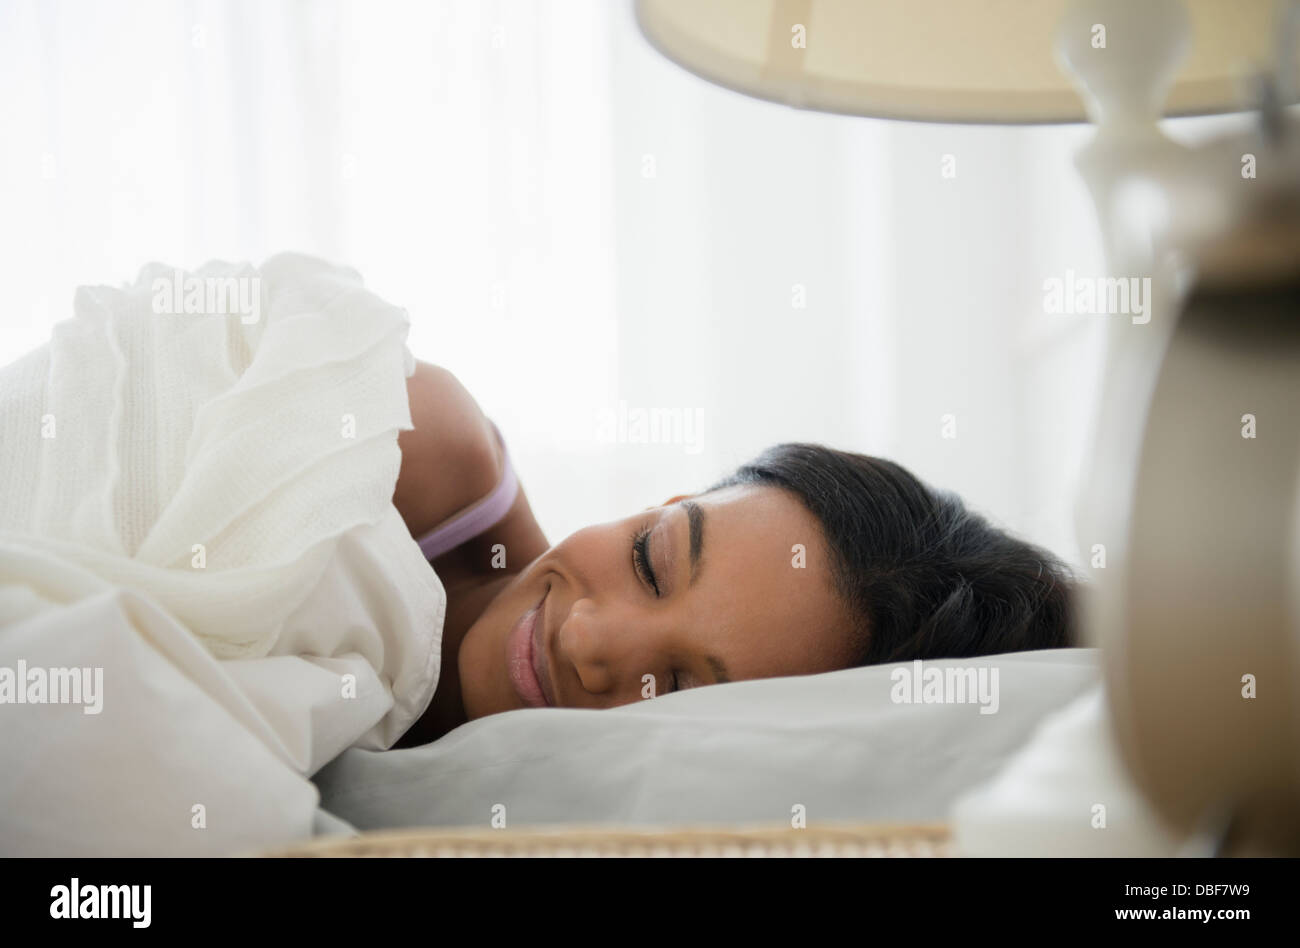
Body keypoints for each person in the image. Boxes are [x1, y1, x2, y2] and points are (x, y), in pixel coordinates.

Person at [394, 362, 1077, 746]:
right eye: (649, 561)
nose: (585, 640)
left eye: (680, 688)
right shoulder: (423, 448)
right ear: (670, 500)